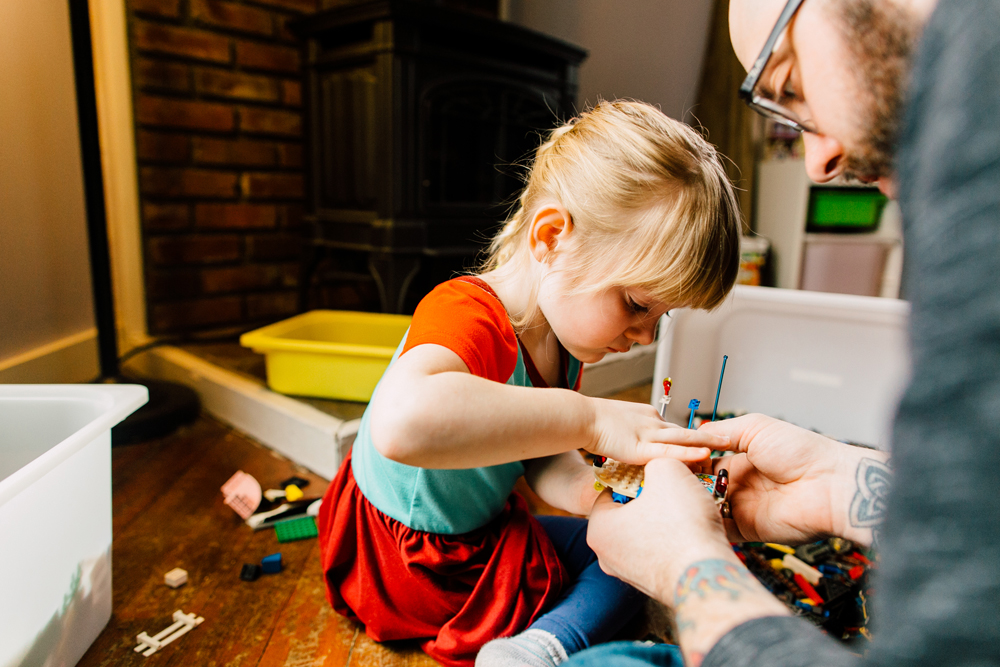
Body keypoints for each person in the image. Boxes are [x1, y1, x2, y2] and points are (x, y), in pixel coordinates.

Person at [576, 0, 1000, 666]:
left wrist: (691, 569)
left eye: (790, 87)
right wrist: (837, 481)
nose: (818, 161)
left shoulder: (984, 81)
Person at [316, 100, 742, 667]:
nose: (644, 336)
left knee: (636, 553)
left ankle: (532, 646)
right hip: (408, 558)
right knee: (624, 577)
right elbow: (402, 423)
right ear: (551, 238)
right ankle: (546, 647)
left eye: (659, 317)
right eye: (636, 304)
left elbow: (536, 458)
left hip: (468, 540)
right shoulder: (469, 312)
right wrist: (591, 417)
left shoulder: (563, 343)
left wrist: (607, 502)